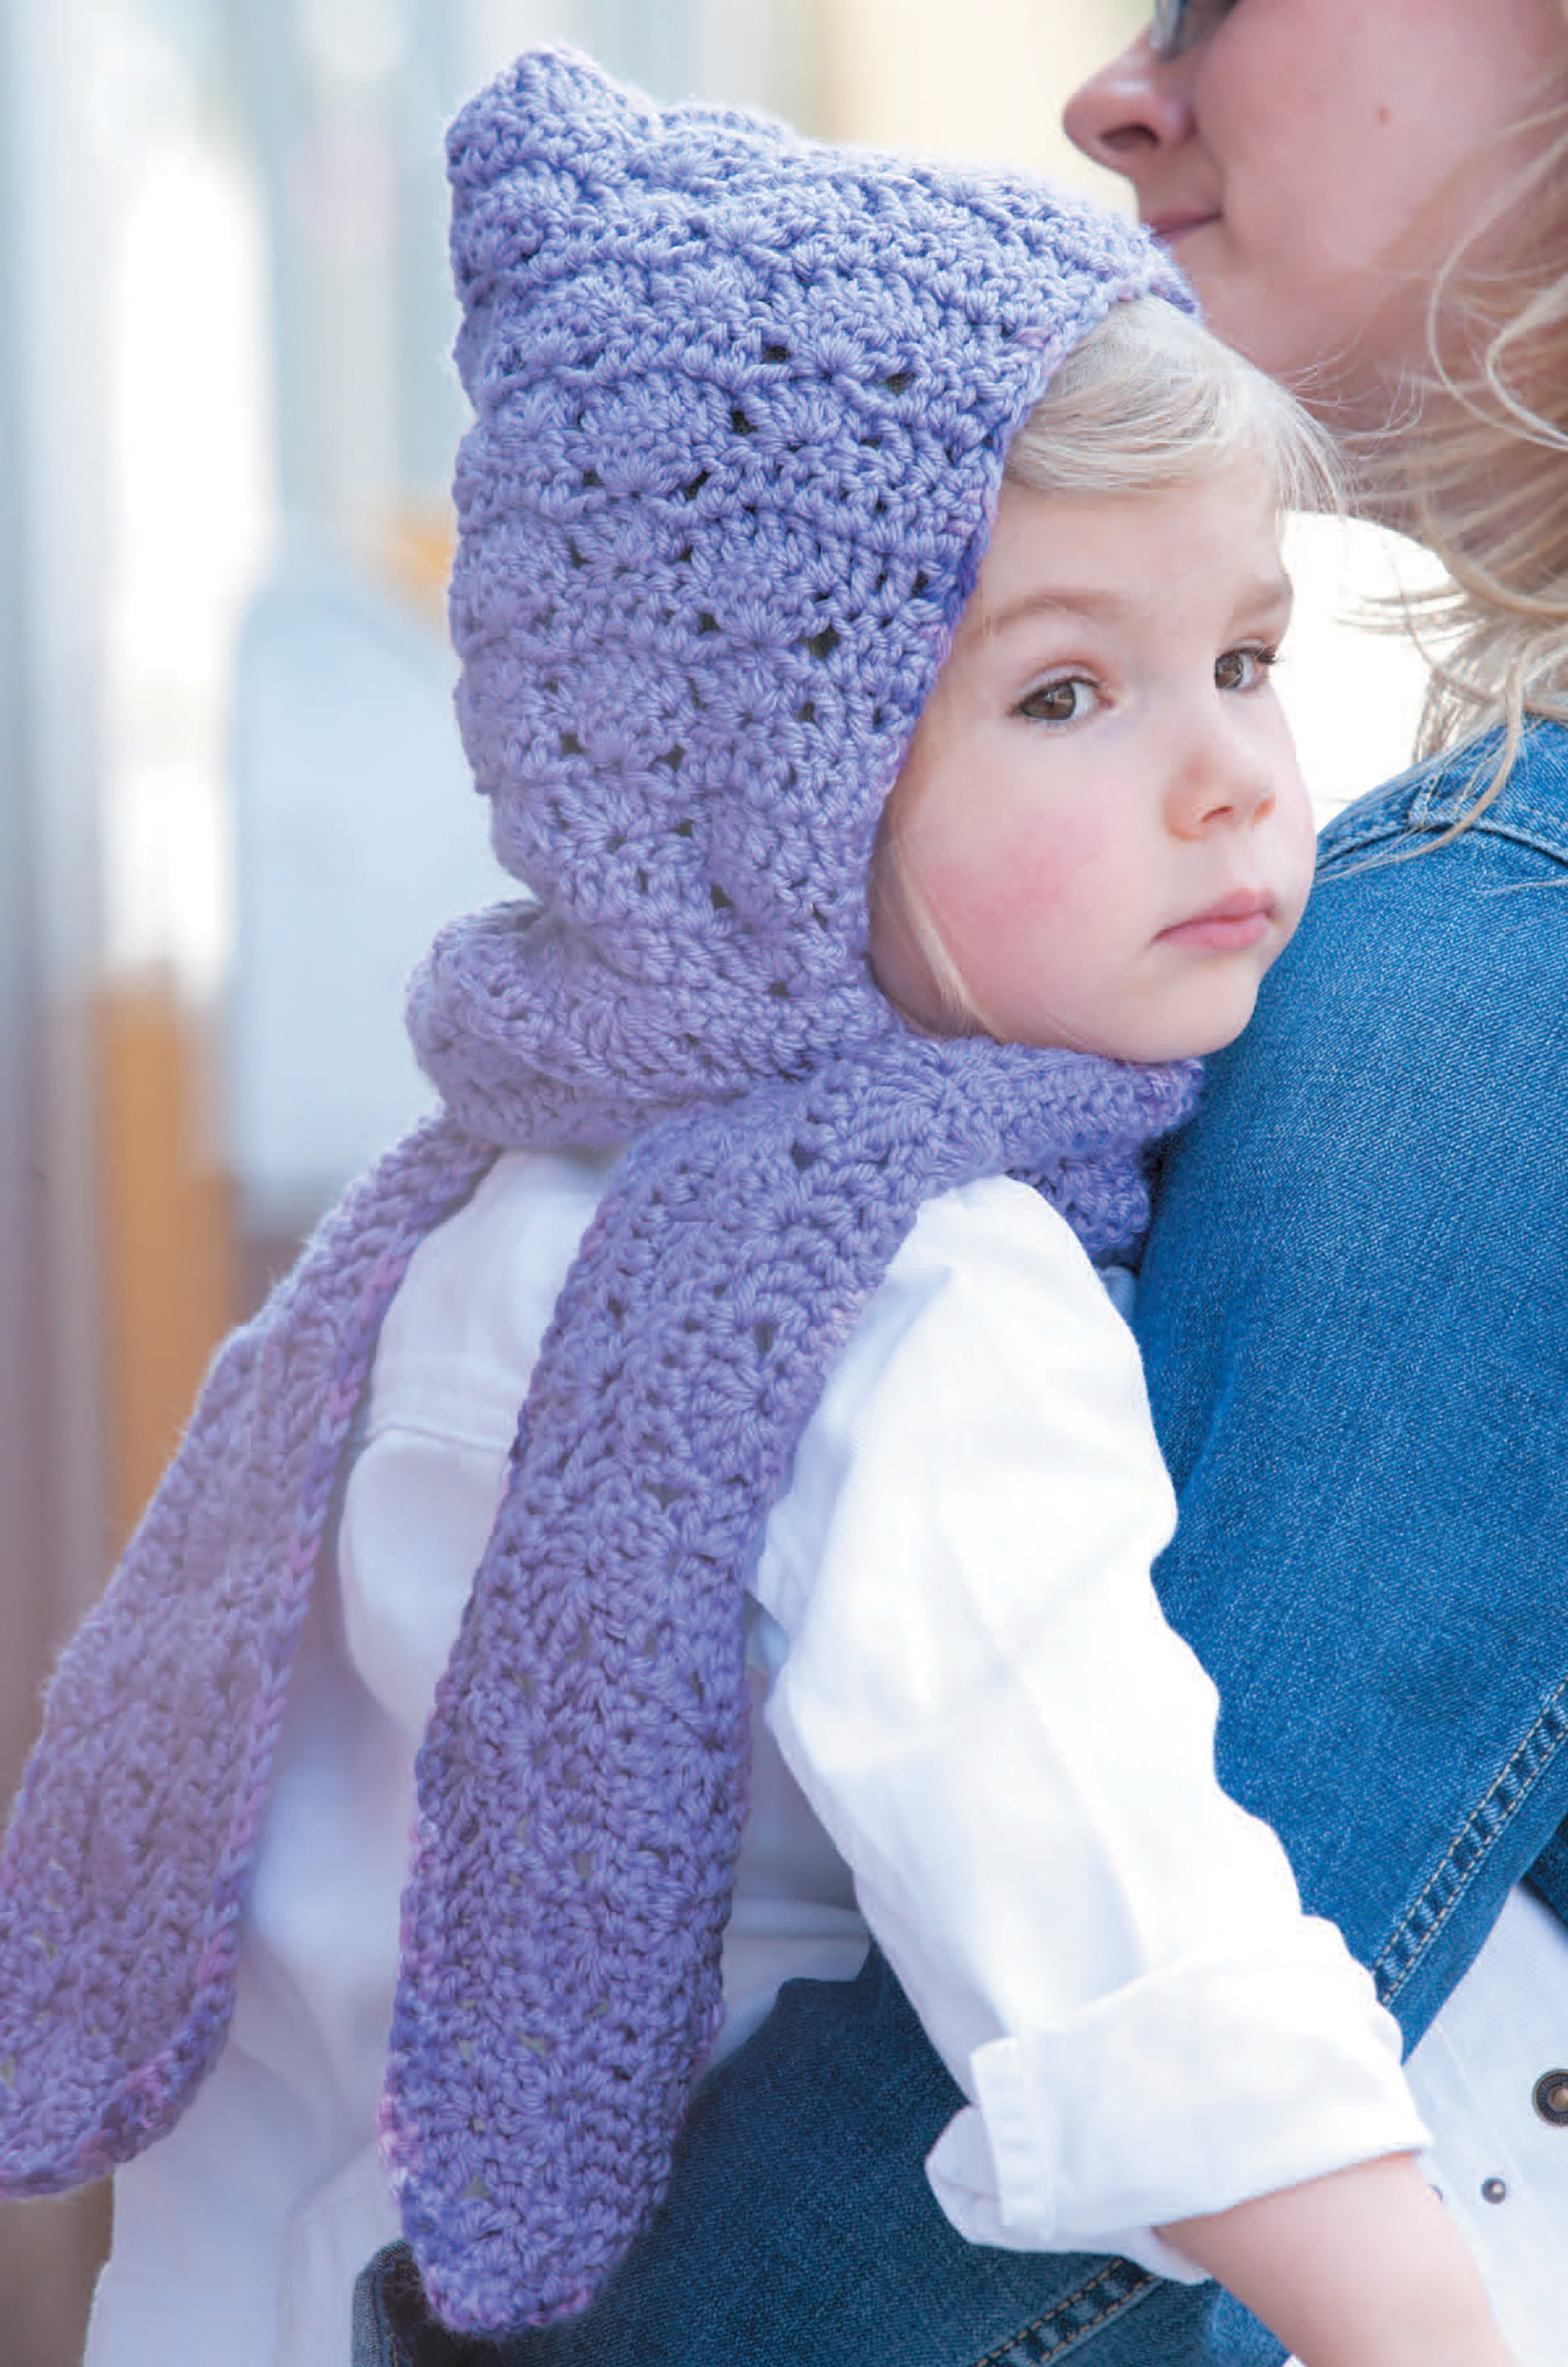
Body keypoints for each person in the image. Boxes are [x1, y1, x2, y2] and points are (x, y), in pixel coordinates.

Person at [0, 41, 1517, 2367]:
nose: (1225, 776)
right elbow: (1119, 1923)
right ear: (750, 809)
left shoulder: (484, 1208)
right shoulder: (896, 1279)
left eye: (1240, 659)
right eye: (1067, 693)